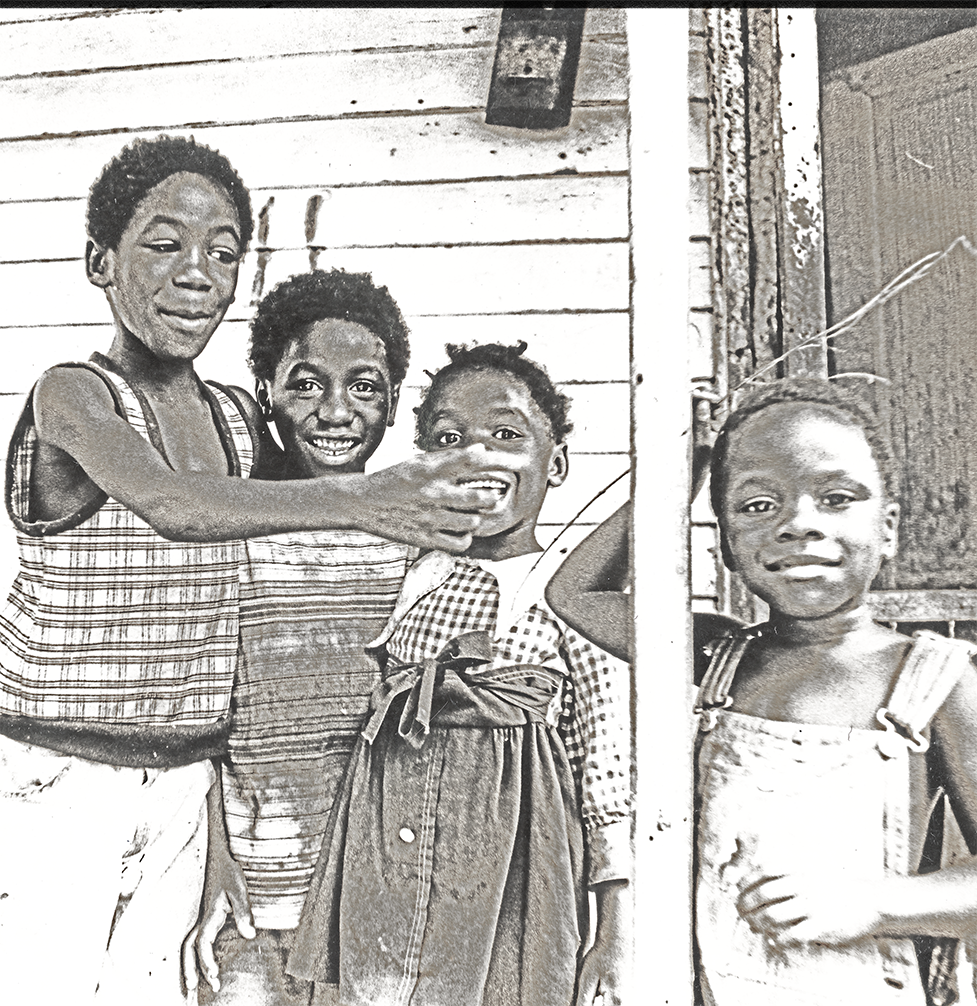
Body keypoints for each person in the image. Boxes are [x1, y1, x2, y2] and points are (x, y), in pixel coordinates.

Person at [0, 136, 492, 1006]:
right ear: (99, 263)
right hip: (57, 780)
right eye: (164, 244)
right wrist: (368, 497)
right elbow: (174, 505)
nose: (197, 273)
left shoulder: (234, 417)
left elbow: (295, 513)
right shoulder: (73, 394)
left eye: (223, 252)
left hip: (188, 788)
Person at [287, 341, 633, 1006]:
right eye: (450, 438)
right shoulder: (406, 576)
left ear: (555, 462)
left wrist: (615, 928)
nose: (477, 454)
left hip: (509, 864)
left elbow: (607, 770)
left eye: (506, 434)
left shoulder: (572, 592)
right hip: (384, 846)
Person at [694, 378, 977, 1005]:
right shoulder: (718, 658)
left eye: (836, 498)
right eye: (758, 505)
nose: (799, 524)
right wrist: (690, 456)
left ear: (889, 528)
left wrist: (873, 903)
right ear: (726, 548)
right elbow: (577, 597)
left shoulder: (933, 679)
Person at [187, 268, 417, 1004]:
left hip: (375, 895)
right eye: (307, 384)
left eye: (364, 386)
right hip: (252, 898)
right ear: (267, 393)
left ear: (392, 403)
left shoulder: (412, 542)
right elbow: (197, 716)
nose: (336, 411)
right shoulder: (233, 531)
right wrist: (214, 863)